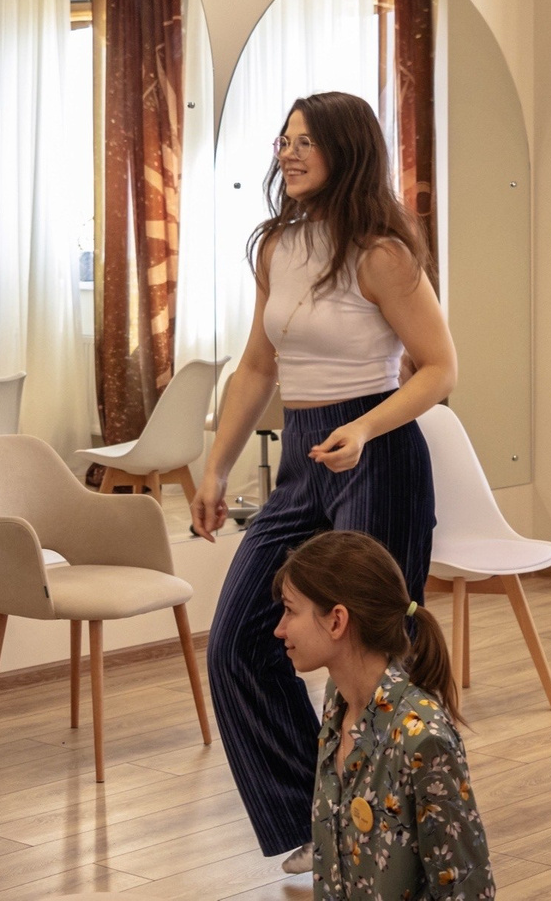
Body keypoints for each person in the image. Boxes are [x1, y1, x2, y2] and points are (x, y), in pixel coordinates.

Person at [194, 92, 459, 873]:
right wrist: (214, 467)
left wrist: (368, 428)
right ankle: (316, 818)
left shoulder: (383, 253)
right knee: (238, 641)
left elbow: (440, 368)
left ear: (348, 150)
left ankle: (392, 826)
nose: (288, 151)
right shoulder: (276, 247)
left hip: (376, 451)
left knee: (370, 656)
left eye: (306, 140)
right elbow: (257, 367)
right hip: (304, 455)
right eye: (285, 139)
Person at [275, 530, 493, 900]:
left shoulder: (422, 738)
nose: (279, 629)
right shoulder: (337, 699)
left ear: (336, 621)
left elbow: (467, 889)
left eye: (290, 611)